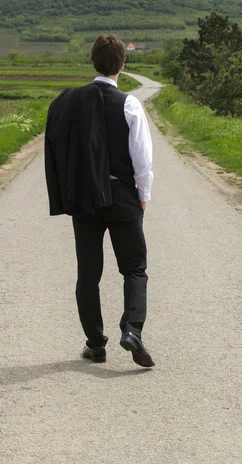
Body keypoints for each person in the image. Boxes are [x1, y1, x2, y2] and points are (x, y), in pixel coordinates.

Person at [45, 34, 154, 367]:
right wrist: (143, 197)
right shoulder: (129, 104)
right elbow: (143, 159)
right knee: (134, 269)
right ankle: (132, 330)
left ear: (92, 61)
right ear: (123, 63)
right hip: (122, 195)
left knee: (88, 273)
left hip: (86, 198)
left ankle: (95, 343)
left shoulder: (70, 101)